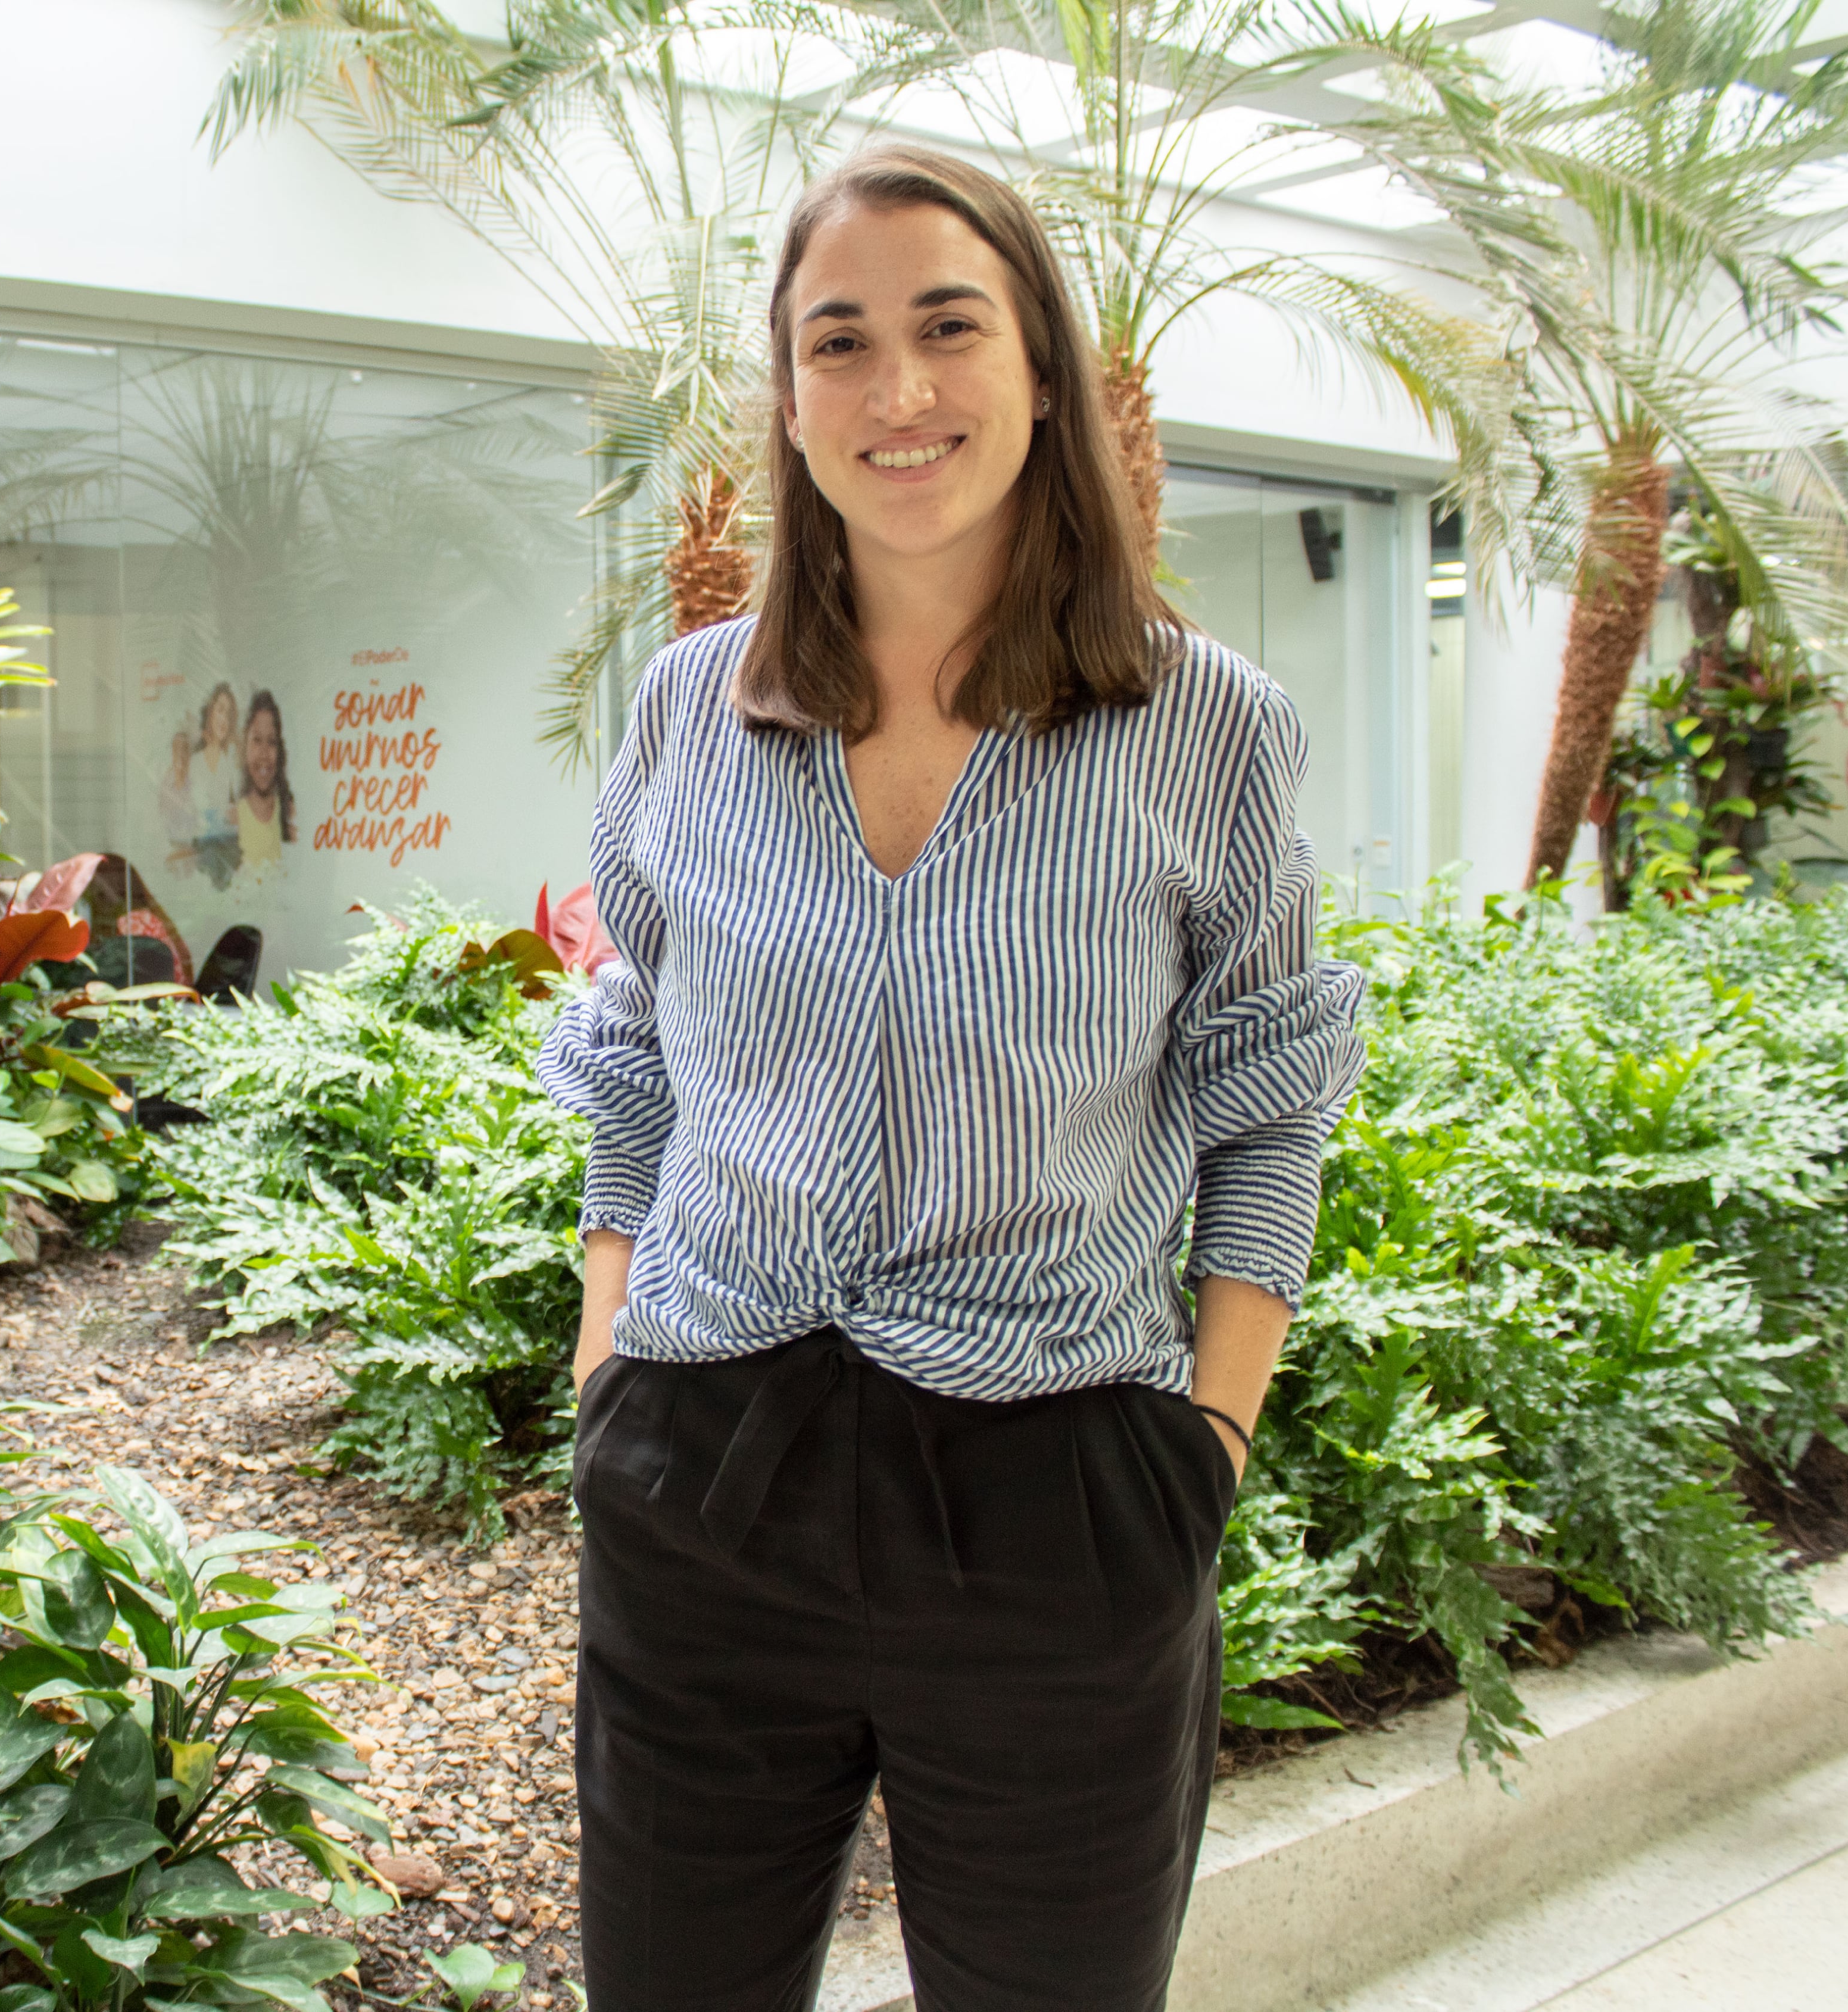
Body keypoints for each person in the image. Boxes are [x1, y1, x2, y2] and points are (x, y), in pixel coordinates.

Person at [533, 145, 1366, 2012]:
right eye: (839, 340)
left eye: (944, 327)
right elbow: (637, 1056)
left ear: (1043, 371)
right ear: (790, 395)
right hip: (703, 1472)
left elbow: (1264, 1095)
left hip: (1055, 1496)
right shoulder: (685, 710)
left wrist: (1200, 1450)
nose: (894, 389)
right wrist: (605, 1362)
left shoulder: (1201, 724)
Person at [163, 681, 244, 888]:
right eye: (220, 711)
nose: (224, 719)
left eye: (229, 714)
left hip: (230, 848)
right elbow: (182, 812)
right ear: (210, 713)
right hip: (200, 849)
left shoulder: (232, 760)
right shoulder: (195, 763)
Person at [232, 690, 295, 874]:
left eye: (272, 742)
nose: (264, 754)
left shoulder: (290, 813)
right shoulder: (234, 818)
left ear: (280, 750)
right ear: (245, 745)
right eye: (257, 741)